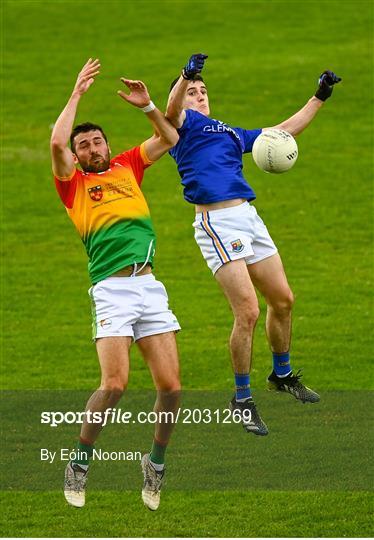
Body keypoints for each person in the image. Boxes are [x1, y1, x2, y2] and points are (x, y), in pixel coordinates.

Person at [166, 54, 341, 436]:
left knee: (283, 299)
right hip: (216, 221)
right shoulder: (180, 126)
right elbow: (170, 109)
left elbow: (282, 132)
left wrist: (320, 96)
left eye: (202, 90)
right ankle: (241, 399)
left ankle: (282, 375)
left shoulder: (228, 131)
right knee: (247, 311)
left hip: (248, 218)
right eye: (192, 92)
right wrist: (185, 76)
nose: (199, 95)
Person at [51, 58, 181, 511]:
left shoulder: (128, 165)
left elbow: (169, 137)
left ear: (108, 143)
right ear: (78, 154)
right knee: (115, 384)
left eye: (96, 141)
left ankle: (156, 464)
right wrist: (77, 93)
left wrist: (148, 107)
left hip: (149, 286)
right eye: (83, 145)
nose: (90, 149)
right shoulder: (74, 185)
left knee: (172, 388)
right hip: (111, 289)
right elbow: (55, 142)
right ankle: (80, 462)